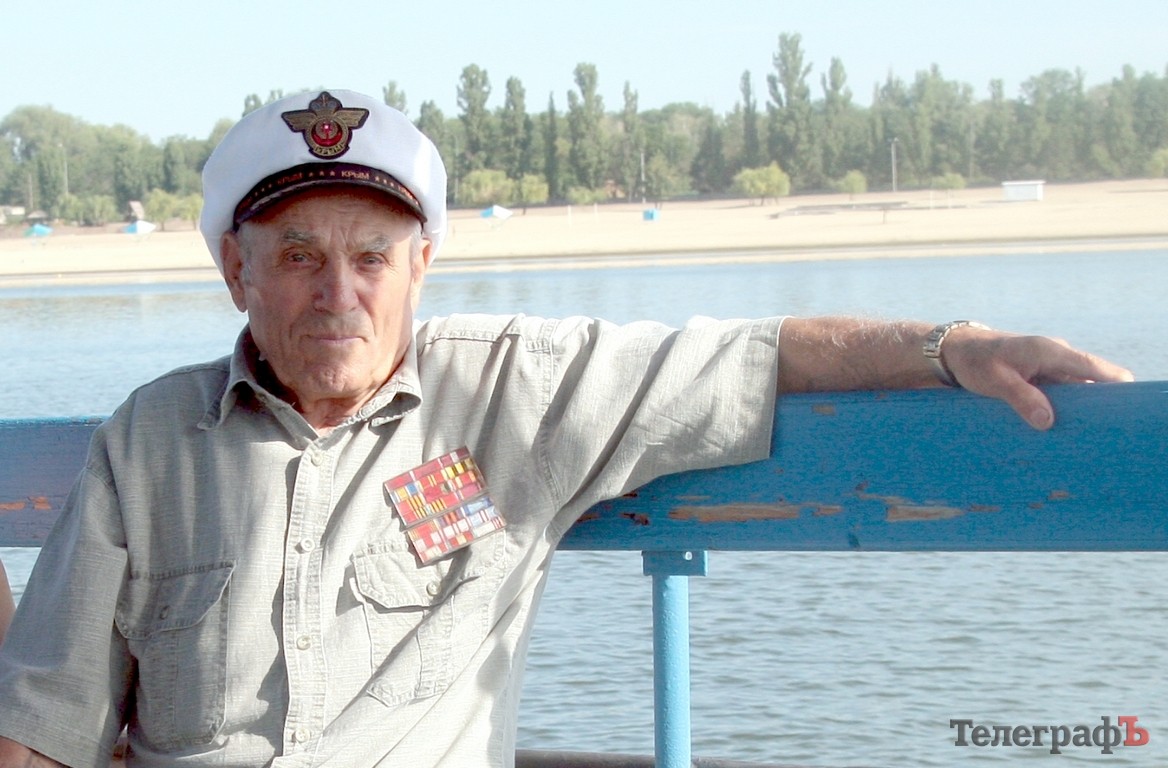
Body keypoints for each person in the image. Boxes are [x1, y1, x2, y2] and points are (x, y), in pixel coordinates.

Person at [0, 89, 1132, 768]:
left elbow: (756, 353)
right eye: (297, 255)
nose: (337, 292)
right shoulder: (149, 443)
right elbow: (45, 729)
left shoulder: (516, 394)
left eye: (371, 256)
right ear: (233, 269)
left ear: (421, 267)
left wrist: (946, 346)